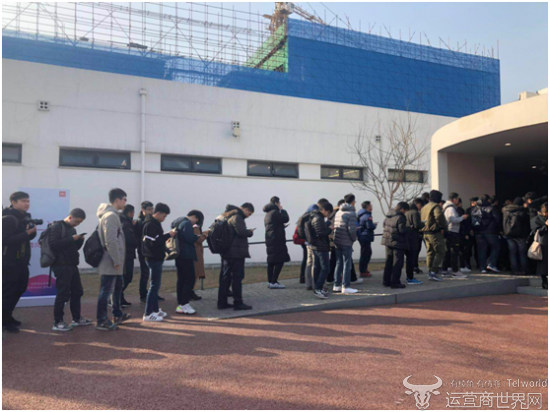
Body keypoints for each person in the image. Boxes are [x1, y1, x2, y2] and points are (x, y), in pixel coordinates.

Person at [50, 208, 91, 332]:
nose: (77, 224)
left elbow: (72, 247)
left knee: (77, 291)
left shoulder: (72, 229)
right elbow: (54, 244)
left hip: (72, 264)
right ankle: (58, 321)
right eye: (76, 221)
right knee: (63, 293)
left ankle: (76, 318)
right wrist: (72, 239)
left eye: (80, 223)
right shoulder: (57, 227)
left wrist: (79, 241)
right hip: (61, 265)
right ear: (70, 217)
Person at [96, 188, 131, 331]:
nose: (125, 202)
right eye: (124, 199)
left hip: (114, 260)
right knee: (106, 290)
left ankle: (117, 314)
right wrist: (117, 260)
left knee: (117, 287)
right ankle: (102, 320)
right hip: (110, 260)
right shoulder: (110, 216)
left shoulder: (111, 215)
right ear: (117, 200)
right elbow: (110, 240)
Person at [2, 192, 37, 333]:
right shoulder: (9, 218)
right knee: (8, 292)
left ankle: (7, 315)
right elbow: (4, 240)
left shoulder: (25, 217)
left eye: (28, 201)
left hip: (22, 262)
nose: (27, 204)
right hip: (8, 263)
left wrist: (31, 232)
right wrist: (26, 233)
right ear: (14, 202)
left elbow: (27, 237)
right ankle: (4, 320)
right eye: (23, 201)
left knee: (20, 289)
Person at [142, 203, 177, 322]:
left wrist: (165, 237)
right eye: (164, 216)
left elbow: (157, 239)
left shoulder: (154, 223)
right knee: (154, 286)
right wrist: (168, 235)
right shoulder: (150, 224)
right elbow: (153, 243)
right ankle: (148, 313)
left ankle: (155, 310)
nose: (164, 219)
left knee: (155, 286)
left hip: (156, 257)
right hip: (153, 258)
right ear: (157, 213)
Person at [218, 203, 255, 311]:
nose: (248, 216)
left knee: (225, 278)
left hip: (227, 251)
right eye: (249, 213)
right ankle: (238, 303)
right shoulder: (237, 217)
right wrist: (250, 232)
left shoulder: (227, 215)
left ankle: (222, 302)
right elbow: (241, 232)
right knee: (237, 278)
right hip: (236, 253)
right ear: (246, 209)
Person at [175, 210, 206, 315]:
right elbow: (190, 238)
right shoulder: (187, 223)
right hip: (186, 255)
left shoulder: (178, 222)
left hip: (179, 255)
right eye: (196, 220)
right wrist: (197, 236)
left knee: (181, 280)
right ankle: (184, 304)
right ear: (194, 217)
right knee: (190, 279)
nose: (195, 222)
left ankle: (180, 303)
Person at [307, 201, 334, 299]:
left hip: (317, 246)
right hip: (320, 247)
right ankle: (318, 288)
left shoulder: (316, 217)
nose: (328, 215)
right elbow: (320, 233)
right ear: (324, 210)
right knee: (325, 268)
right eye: (328, 212)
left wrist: (326, 225)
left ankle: (318, 288)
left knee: (318, 268)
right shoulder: (318, 218)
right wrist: (330, 229)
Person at [333, 193, 359, 294]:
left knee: (339, 263)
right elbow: (351, 229)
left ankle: (336, 285)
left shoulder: (338, 212)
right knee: (347, 264)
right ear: (353, 202)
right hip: (346, 241)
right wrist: (354, 239)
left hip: (337, 240)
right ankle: (346, 286)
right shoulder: (351, 213)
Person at [136, 201, 161, 304]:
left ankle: (153, 293)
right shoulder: (140, 221)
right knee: (145, 273)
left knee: (153, 274)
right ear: (143, 210)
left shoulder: (153, 220)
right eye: (149, 209)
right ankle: (143, 294)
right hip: (143, 251)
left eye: (152, 209)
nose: (151, 211)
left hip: (152, 251)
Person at [263, 197, 291, 289]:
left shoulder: (267, 214)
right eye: (279, 203)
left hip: (270, 239)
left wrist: (281, 227)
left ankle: (270, 281)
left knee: (271, 261)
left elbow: (272, 226)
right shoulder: (275, 212)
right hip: (277, 240)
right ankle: (274, 281)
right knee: (280, 260)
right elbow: (285, 218)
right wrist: (282, 210)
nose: (280, 205)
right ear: (276, 203)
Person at [381, 202, 409, 288]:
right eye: (405, 210)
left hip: (387, 240)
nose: (405, 212)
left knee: (389, 261)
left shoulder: (388, 215)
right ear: (402, 209)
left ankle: (386, 281)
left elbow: (384, 225)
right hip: (397, 242)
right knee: (397, 263)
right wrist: (409, 228)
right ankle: (395, 282)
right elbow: (402, 230)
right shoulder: (400, 217)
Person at [420, 190, 446, 282]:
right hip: (434, 233)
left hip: (425, 233)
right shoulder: (436, 206)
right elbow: (438, 216)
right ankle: (433, 272)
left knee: (430, 252)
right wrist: (443, 226)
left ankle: (430, 271)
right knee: (441, 252)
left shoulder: (424, 207)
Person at [472, 195, 502, 273]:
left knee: (481, 250)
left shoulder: (475, 209)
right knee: (496, 247)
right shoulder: (492, 208)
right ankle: (491, 264)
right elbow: (498, 219)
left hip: (478, 232)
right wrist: (499, 229)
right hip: (490, 232)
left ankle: (482, 268)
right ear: (488, 200)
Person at [442, 193, 468, 278]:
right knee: (454, 252)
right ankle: (455, 271)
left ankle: (444, 269)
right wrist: (462, 217)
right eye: (457, 199)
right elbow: (453, 219)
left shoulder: (446, 207)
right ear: (454, 199)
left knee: (448, 252)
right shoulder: (451, 208)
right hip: (452, 231)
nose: (458, 201)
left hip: (449, 232)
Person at [503, 197, 531, 275]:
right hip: (521, 235)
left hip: (509, 235)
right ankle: (524, 270)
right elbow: (526, 224)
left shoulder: (506, 211)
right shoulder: (522, 212)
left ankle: (514, 270)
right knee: (522, 253)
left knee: (512, 253)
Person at [120, 204, 138, 307]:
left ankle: (119, 297)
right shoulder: (126, 224)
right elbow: (130, 240)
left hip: (126, 254)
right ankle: (115, 297)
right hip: (126, 255)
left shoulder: (124, 222)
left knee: (125, 277)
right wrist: (137, 242)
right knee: (127, 277)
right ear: (130, 213)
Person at [405, 200, 423, 285]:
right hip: (413, 237)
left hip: (406, 237)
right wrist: (423, 224)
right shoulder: (415, 213)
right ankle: (410, 277)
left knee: (408, 258)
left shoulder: (406, 213)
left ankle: (409, 276)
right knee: (411, 258)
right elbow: (417, 225)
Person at [530, 203, 548, 289]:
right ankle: (544, 282)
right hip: (543, 244)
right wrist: (546, 226)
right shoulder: (536, 219)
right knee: (543, 264)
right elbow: (536, 232)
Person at [357, 201, 377, 277]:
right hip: (365, 236)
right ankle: (362, 270)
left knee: (366, 253)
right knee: (365, 254)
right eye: (371, 205)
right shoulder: (367, 216)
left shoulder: (361, 214)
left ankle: (364, 269)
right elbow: (369, 226)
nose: (372, 207)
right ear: (368, 207)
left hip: (362, 236)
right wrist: (374, 225)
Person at [192, 211, 208, 301]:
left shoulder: (188, 226)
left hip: (192, 252)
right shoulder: (195, 227)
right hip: (196, 252)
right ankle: (190, 292)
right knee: (195, 274)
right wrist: (205, 233)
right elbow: (199, 239)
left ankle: (189, 292)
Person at [465, 197, 480, 270]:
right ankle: (467, 264)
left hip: (477, 231)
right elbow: (466, 222)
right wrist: (469, 230)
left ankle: (478, 264)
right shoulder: (468, 210)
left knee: (477, 250)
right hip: (470, 232)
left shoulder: (479, 209)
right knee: (468, 250)